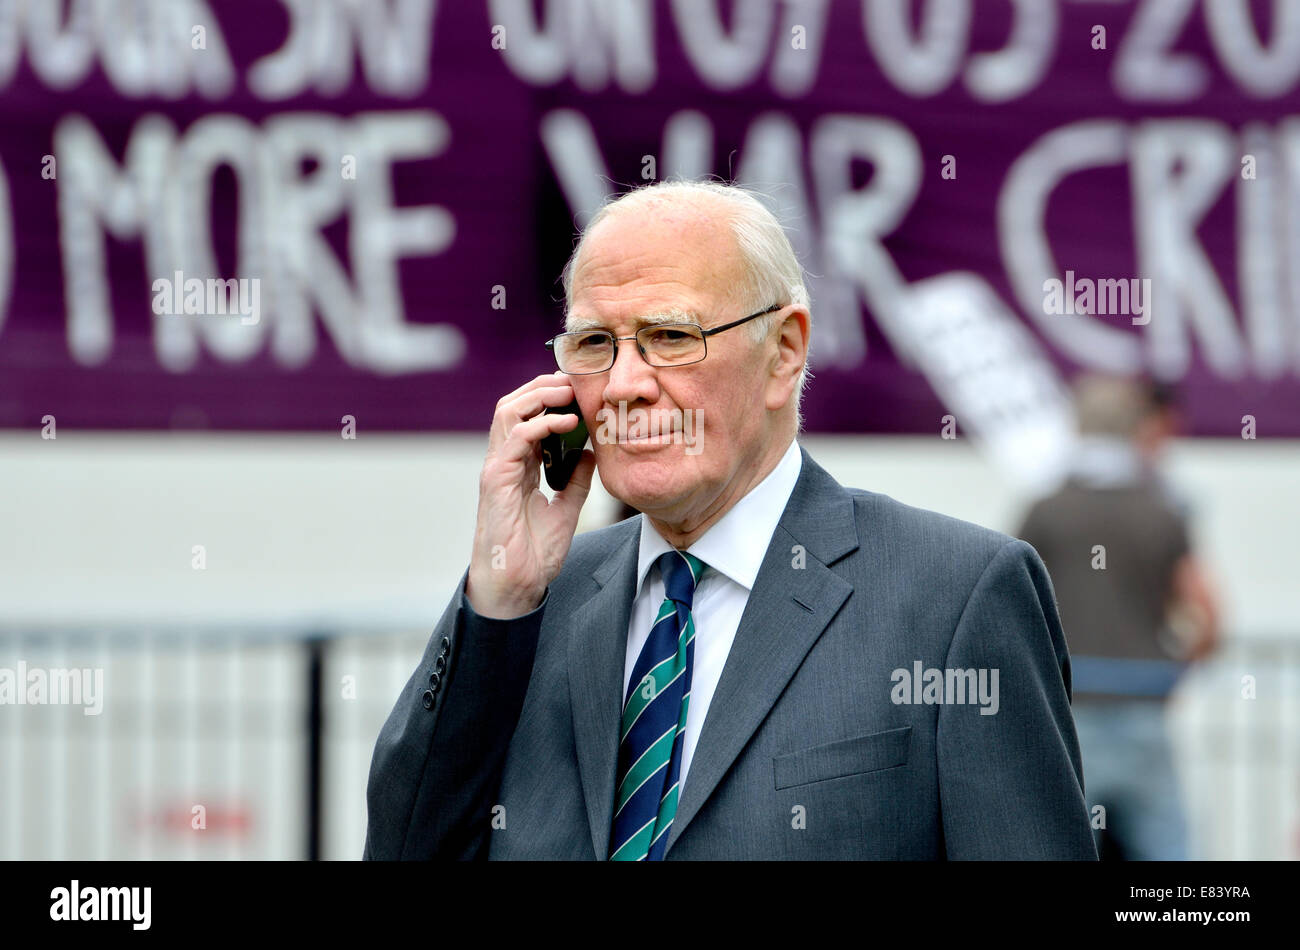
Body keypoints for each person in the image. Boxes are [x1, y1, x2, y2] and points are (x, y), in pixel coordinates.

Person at [363, 180, 1097, 860]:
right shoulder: (534, 605)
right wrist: (498, 605)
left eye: (671, 337)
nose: (624, 385)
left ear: (783, 351)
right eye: (594, 345)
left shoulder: (955, 595)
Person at [1016, 375, 1220, 860]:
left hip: (1069, 712)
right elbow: (1209, 615)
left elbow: (1012, 608)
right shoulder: (1161, 510)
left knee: (1061, 843)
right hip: (1143, 703)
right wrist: (1175, 673)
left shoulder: (1047, 510)